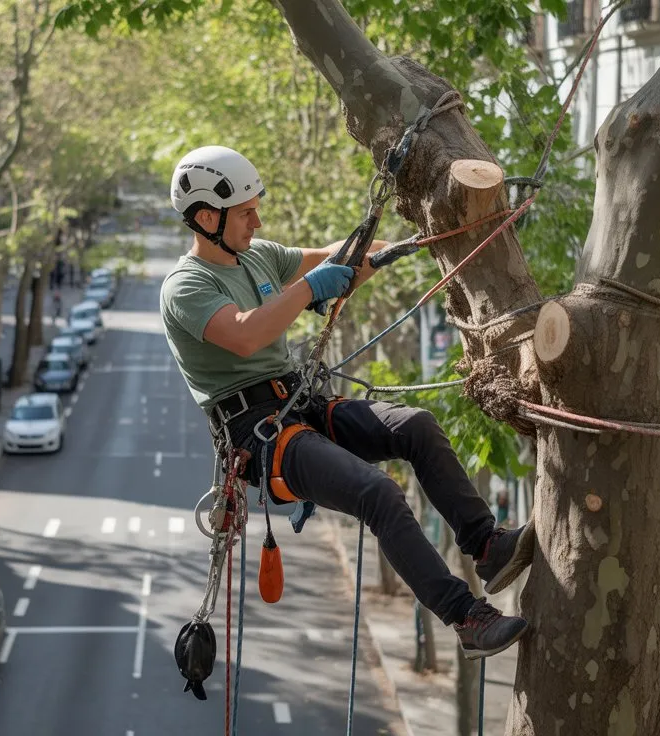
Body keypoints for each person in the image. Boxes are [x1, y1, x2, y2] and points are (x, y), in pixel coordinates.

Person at [160, 146, 535, 660]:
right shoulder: (186, 285)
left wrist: (382, 250)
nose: (257, 219)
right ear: (207, 218)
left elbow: (328, 257)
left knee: (417, 427)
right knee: (377, 493)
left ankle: (487, 545)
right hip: (258, 435)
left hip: (298, 402)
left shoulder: (259, 255)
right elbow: (245, 336)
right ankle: (467, 617)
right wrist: (306, 291)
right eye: (246, 212)